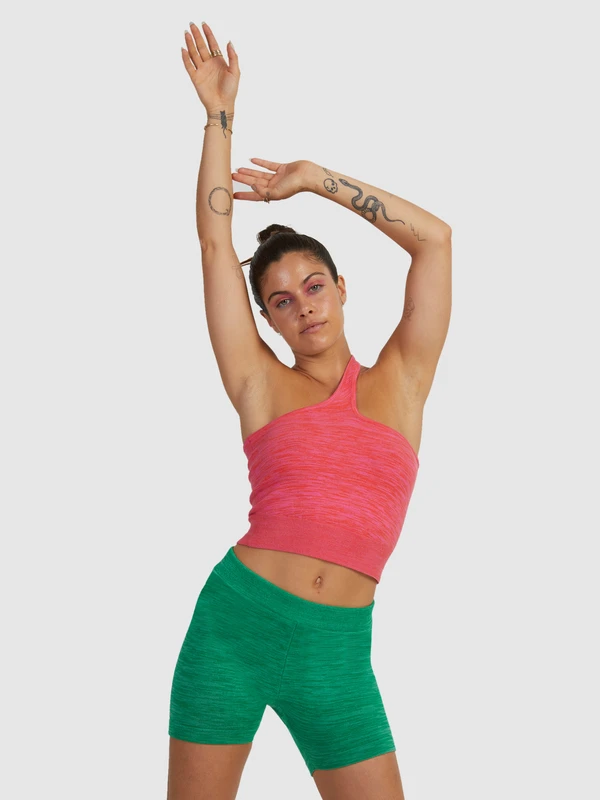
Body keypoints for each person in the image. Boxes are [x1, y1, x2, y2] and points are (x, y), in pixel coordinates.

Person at [169, 20, 452, 800]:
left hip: (337, 655)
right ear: (267, 319)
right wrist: (218, 116)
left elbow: (435, 242)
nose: (304, 307)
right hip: (234, 627)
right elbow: (213, 241)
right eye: (281, 301)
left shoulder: (403, 379)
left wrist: (316, 179)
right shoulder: (258, 383)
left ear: (341, 287)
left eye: (314, 286)